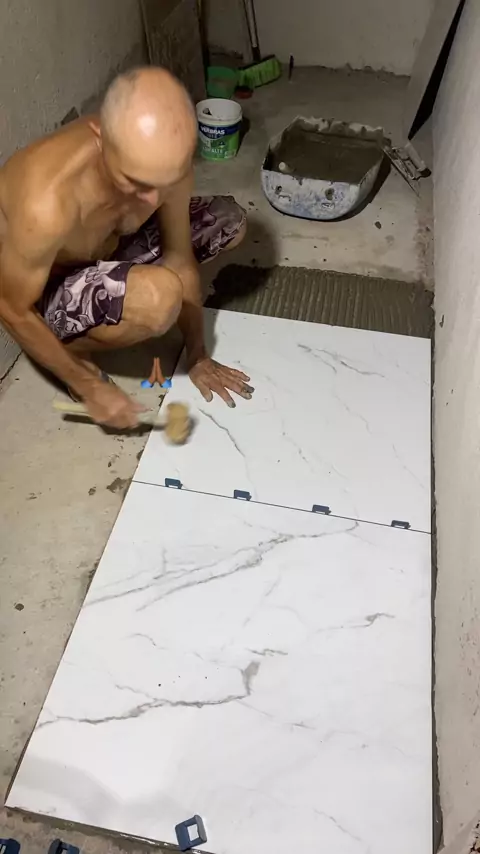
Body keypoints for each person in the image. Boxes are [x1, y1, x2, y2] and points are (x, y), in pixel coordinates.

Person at [0, 66, 253, 429]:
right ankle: (72, 348)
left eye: (164, 182)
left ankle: (122, 287)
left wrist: (197, 354)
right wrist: (86, 385)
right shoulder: (45, 205)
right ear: (100, 137)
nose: (152, 199)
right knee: (160, 298)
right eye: (135, 181)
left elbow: (179, 258)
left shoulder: (164, 163)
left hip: (108, 249)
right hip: (48, 290)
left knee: (229, 221)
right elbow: (11, 308)